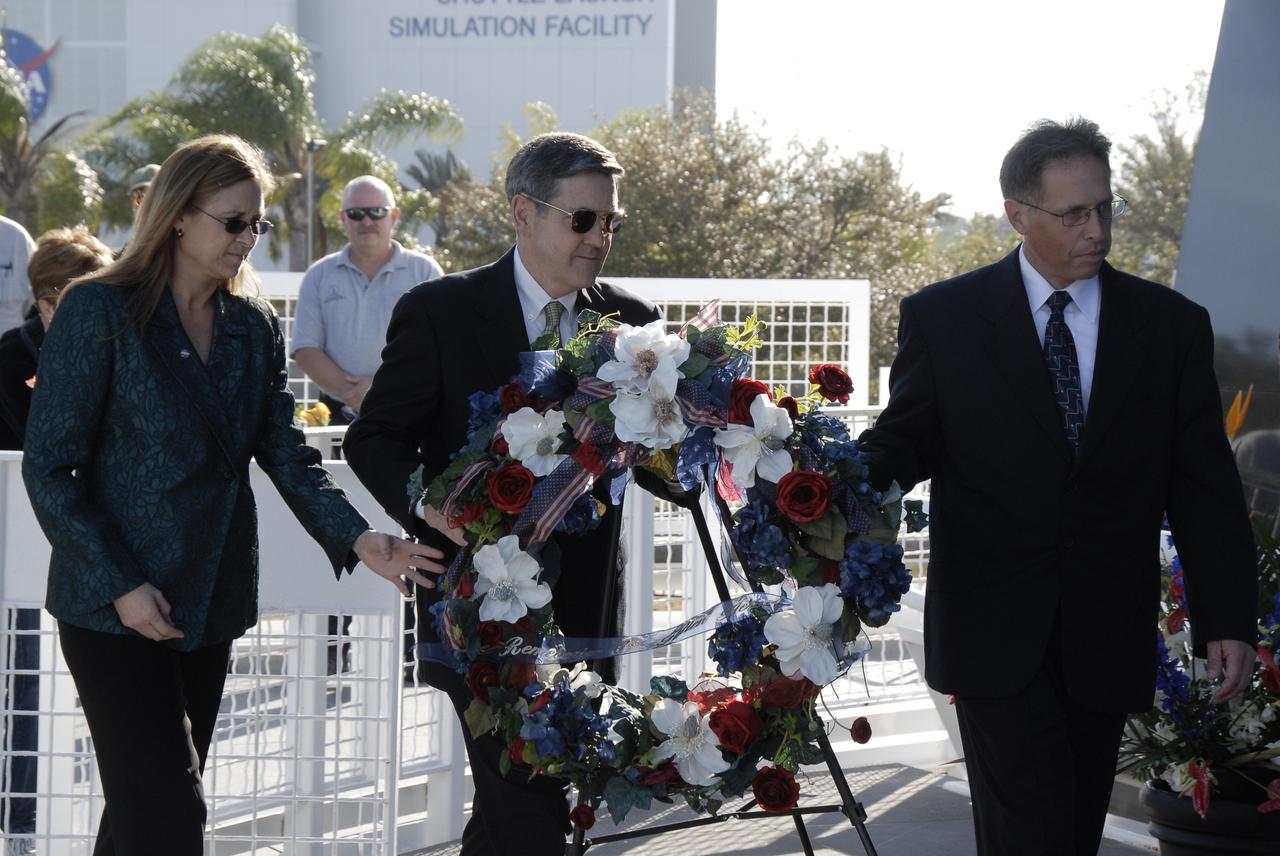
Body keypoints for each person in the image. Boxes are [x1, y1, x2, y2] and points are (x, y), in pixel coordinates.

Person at [21, 134, 444, 854]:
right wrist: (122, 583)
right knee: (171, 816)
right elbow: (49, 469)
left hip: (209, 598)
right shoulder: (99, 311)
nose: (248, 239)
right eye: (234, 222)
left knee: (138, 818)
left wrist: (357, 534)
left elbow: (283, 448)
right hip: (111, 608)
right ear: (178, 216)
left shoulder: (253, 326)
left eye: (258, 224)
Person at [858, 117, 1257, 855]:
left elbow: (1203, 484)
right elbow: (904, 441)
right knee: (1030, 835)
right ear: (1018, 214)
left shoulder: (1170, 328)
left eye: (1105, 207)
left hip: (1107, 638)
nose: (1097, 229)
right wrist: (819, 484)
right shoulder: (944, 320)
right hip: (992, 639)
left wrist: (1226, 616)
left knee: (1069, 835)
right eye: (1074, 213)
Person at [344, 132, 658, 856]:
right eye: (583, 219)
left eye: (611, 222)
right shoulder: (440, 312)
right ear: (524, 212)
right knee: (529, 809)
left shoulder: (632, 321)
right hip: (474, 612)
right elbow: (375, 438)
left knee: (523, 807)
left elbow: (653, 468)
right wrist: (430, 503)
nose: (599, 237)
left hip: (586, 612)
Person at [0, 226, 113, 854]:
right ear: (43, 303)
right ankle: (20, 827)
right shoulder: (10, 361)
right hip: (18, 552)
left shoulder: (119, 349)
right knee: (21, 684)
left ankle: (44, 824)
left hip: (90, 558)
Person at [291, 175, 444, 426]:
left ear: (393, 216)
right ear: (343, 219)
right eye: (356, 213)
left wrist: (378, 389)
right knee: (333, 468)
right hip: (337, 412)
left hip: (410, 408)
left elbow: (439, 346)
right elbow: (306, 349)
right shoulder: (319, 275)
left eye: (376, 212)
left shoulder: (424, 271)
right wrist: (354, 395)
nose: (366, 221)